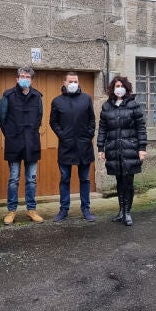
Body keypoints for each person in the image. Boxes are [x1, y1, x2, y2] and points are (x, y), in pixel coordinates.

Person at [0, 66, 45, 225]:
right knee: (14, 179)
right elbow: (1, 119)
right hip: (14, 142)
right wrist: (10, 134)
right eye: (22, 76)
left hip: (31, 142)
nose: (25, 78)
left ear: (31, 79)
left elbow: (39, 118)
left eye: (28, 76)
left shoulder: (37, 96)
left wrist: (31, 132)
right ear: (17, 79)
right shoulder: (7, 96)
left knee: (31, 179)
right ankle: (11, 211)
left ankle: (31, 210)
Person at [97, 76, 148, 226]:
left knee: (128, 181)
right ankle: (121, 211)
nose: (119, 88)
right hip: (114, 149)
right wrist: (101, 148)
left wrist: (142, 148)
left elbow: (141, 128)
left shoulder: (133, 105)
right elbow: (103, 129)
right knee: (119, 180)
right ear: (112, 89)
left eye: (121, 85)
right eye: (116, 86)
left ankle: (127, 212)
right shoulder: (107, 106)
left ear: (126, 88)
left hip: (130, 148)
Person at [49, 71, 96, 222]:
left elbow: (92, 121)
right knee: (65, 179)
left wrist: (88, 136)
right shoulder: (57, 101)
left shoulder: (86, 99)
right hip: (66, 147)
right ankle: (63, 210)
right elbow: (53, 122)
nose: (73, 84)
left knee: (85, 179)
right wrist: (62, 135)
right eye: (70, 81)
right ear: (64, 83)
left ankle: (86, 209)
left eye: (75, 81)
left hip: (84, 147)